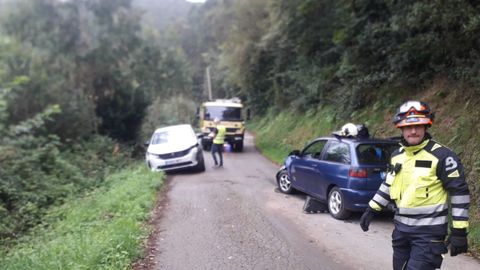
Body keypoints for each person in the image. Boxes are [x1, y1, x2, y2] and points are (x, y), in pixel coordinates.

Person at [359, 100, 470, 269]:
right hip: (401, 232)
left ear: (426, 126)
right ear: (401, 128)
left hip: (428, 236)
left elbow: (459, 192)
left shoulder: (442, 156)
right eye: (408, 127)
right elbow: (388, 184)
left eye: (418, 126)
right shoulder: (397, 155)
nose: (413, 131)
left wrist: (459, 231)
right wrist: (371, 209)